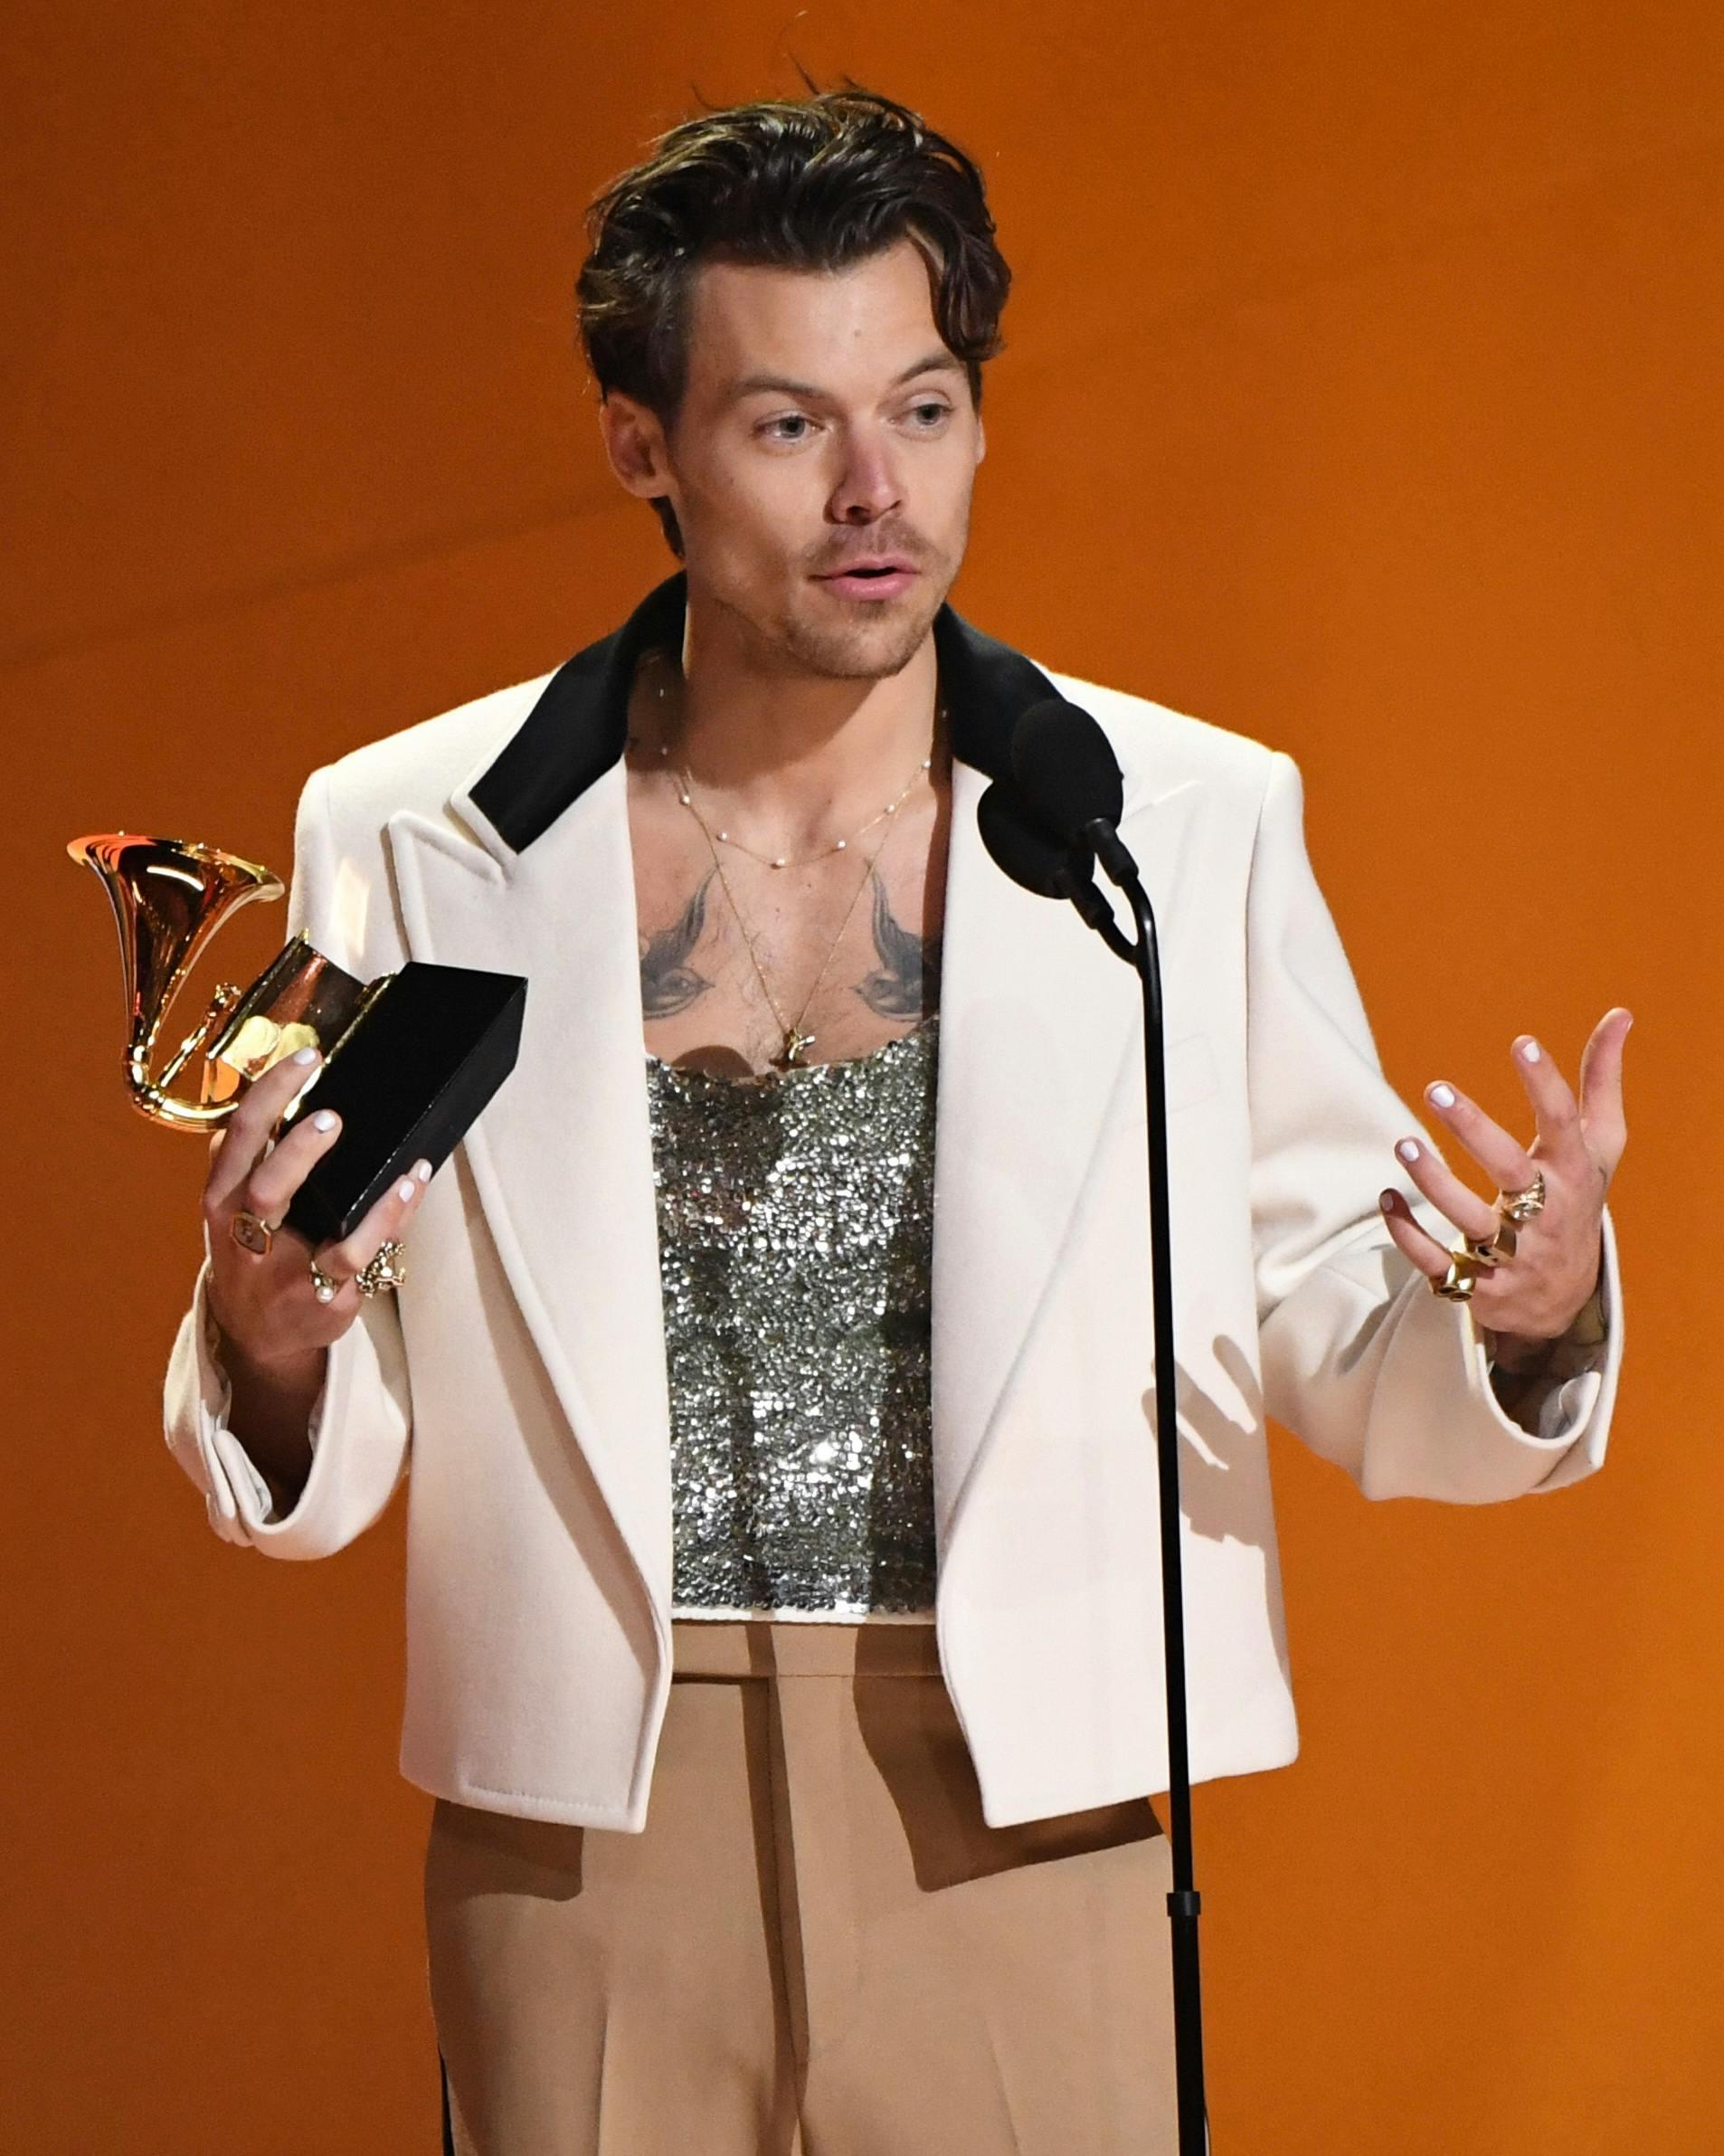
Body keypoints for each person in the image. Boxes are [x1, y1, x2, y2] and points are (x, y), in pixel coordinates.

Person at [165, 87, 1628, 2156]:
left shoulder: (1173, 823)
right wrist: (268, 1326)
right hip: (583, 1827)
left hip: (1025, 1812)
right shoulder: (409, 835)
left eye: (923, 409)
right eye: (785, 426)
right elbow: (342, 1370)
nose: (877, 493)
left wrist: (1522, 1311)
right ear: (637, 442)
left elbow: (1313, 1312)